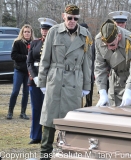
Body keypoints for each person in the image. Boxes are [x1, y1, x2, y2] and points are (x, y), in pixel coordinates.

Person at [37, 4, 92, 159]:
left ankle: (69, 154)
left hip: (75, 78)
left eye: (75, 18)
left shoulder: (85, 34)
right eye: (69, 18)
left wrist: (87, 85)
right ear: (63, 17)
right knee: (49, 119)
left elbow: (87, 63)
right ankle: (45, 154)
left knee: (71, 121)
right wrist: (42, 81)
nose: (72, 21)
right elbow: (45, 58)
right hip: (56, 78)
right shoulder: (54, 32)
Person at [94, 19, 131, 108]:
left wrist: (129, 91)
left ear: (119, 37)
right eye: (106, 45)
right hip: (116, 78)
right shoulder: (98, 40)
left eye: (112, 45)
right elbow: (99, 67)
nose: (109, 48)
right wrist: (102, 92)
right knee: (113, 112)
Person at [27, 18, 57, 144]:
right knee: (36, 108)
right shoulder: (35, 43)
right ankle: (36, 136)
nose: (44, 32)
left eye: (47, 29)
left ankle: (49, 137)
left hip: (49, 80)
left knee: (50, 109)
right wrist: (34, 76)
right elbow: (29, 62)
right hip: (35, 80)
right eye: (43, 29)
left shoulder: (55, 44)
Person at [6, 24, 35, 120]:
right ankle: (10, 112)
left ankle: (23, 112)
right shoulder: (17, 42)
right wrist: (25, 57)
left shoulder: (34, 43)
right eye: (25, 32)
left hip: (28, 71)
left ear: (31, 33)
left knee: (26, 92)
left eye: (28, 32)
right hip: (19, 69)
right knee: (15, 91)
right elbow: (13, 56)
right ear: (22, 33)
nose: (27, 33)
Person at [80, 22, 95, 107]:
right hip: (78, 74)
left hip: (89, 73)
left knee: (89, 96)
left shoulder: (92, 43)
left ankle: (88, 107)